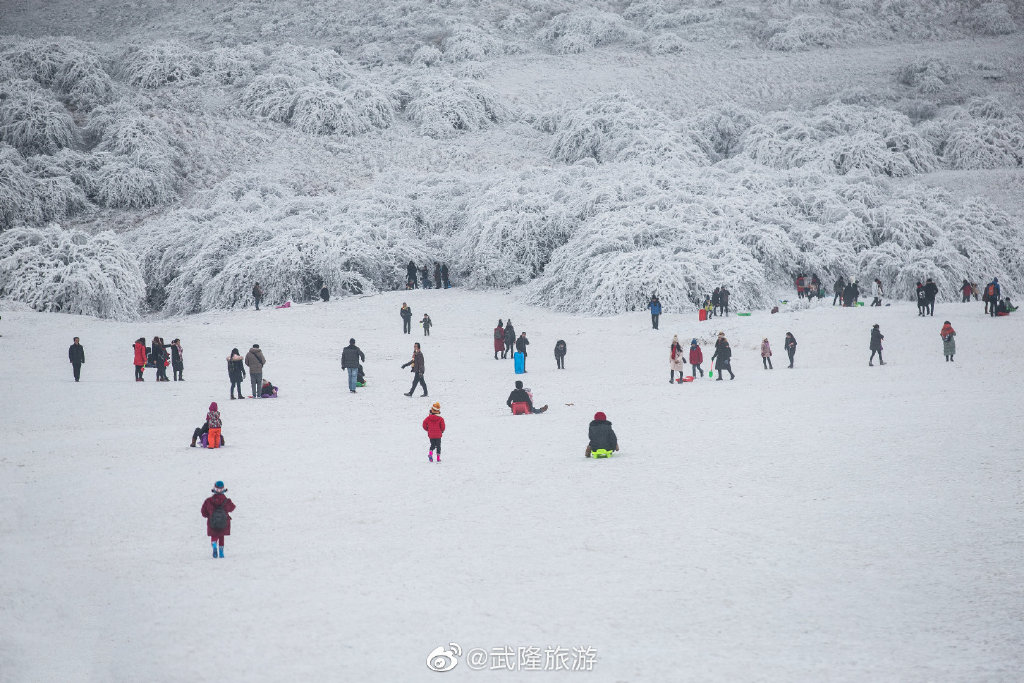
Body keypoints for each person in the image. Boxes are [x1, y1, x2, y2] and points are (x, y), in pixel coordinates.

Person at [201, 481, 235, 558]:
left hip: (212, 522)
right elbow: (232, 508)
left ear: (214, 489)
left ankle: (214, 545)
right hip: (224, 523)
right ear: (223, 489)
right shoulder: (226, 501)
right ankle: (221, 552)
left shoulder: (208, 501)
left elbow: (203, 512)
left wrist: (209, 515)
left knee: (214, 535)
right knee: (221, 537)